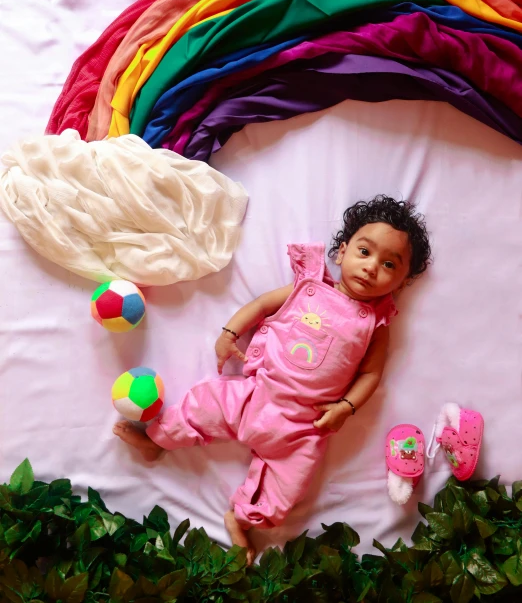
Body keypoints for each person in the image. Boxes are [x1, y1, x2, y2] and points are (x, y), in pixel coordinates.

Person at [114, 195, 431, 563]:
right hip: (256, 393)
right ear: (342, 252)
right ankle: (157, 440)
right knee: (203, 403)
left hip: (302, 427)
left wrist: (347, 406)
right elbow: (263, 305)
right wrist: (229, 333)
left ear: (402, 282)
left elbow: (372, 373)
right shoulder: (307, 288)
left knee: (289, 489)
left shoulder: (375, 324)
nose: (372, 267)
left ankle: (242, 519)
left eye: (389, 264)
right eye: (365, 251)